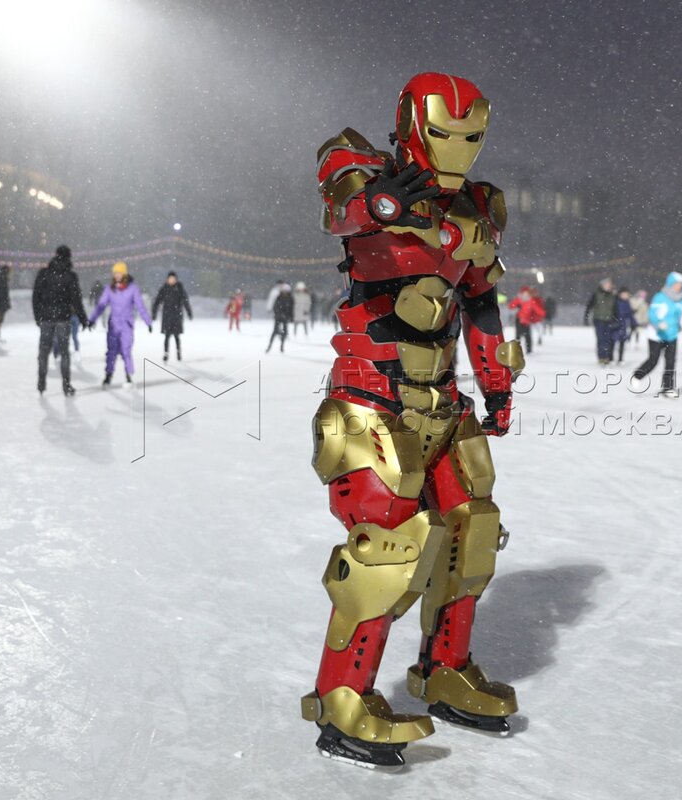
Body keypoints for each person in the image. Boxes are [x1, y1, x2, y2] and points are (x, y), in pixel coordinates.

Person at [302, 72, 524, 766]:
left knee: (471, 530)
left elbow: (480, 300)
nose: (459, 147)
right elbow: (342, 209)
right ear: (411, 125)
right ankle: (342, 699)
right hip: (371, 396)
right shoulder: (364, 172)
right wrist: (383, 201)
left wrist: (496, 382)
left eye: (471, 134)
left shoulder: (477, 209)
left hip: (444, 401)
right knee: (385, 551)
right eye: (444, 131)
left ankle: (445, 670)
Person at [31, 245, 88, 396]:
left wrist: (38, 316)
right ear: (69, 257)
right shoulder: (70, 276)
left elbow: (36, 296)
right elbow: (76, 300)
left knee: (43, 351)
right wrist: (83, 318)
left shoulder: (44, 273)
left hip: (46, 318)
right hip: (63, 318)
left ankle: (41, 382)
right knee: (64, 352)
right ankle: (66, 384)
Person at [88, 261, 152, 386]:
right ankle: (108, 374)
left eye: (119, 273)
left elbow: (140, 306)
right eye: (115, 273)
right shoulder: (110, 289)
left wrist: (148, 321)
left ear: (124, 274)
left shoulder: (132, 288)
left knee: (126, 350)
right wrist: (92, 319)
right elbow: (101, 305)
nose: (117, 275)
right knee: (111, 351)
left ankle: (129, 375)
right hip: (113, 325)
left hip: (127, 324)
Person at [632, 271, 682, 397]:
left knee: (670, 362)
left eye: (681, 285)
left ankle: (668, 388)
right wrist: (659, 323)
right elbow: (652, 314)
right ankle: (637, 376)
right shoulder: (660, 297)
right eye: (677, 284)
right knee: (653, 360)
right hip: (656, 335)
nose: (679, 287)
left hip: (671, 335)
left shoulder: (681, 301)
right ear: (670, 283)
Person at [151, 271, 193, 362]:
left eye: (173, 279)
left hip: (177, 316)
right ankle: (166, 353)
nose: (172, 280)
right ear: (167, 279)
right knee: (167, 336)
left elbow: (185, 301)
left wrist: (189, 312)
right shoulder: (164, 289)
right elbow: (157, 301)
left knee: (177, 336)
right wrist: (154, 313)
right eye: (170, 279)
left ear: (176, 279)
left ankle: (178, 353)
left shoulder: (179, 288)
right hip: (167, 316)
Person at [584, 277, 617, 365]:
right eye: (606, 285)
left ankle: (607, 357)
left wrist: (616, 319)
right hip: (598, 320)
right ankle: (601, 357)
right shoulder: (596, 294)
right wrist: (586, 318)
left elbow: (616, 309)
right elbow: (589, 306)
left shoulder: (613, 296)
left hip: (609, 320)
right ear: (602, 285)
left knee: (608, 340)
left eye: (609, 285)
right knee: (601, 339)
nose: (608, 286)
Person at [508, 285, 545, 353]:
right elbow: (511, 306)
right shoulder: (524, 300)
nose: (525, 294)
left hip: (524, 320)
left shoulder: (527, 300)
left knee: (522, 336)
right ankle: (521, 350)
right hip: (522, 320)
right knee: (522, 336)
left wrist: (542, 313)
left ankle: (522, 350)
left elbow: (537, 309)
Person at [266, 282, 293, 353]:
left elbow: (291, 309)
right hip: (278, 317)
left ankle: (282, 345)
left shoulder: (290, 299)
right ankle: (270, 345)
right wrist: (278, 314)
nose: (284, 292)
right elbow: (276, 307)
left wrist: (290, 317)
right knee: (275, 331)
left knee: (285, 332)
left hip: (285, 317)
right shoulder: (279, 297)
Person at [612, 288, 634, 363]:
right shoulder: (616, 302)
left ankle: (620, 358)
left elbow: (630, 314)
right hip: (616, 325)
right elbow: (613, 313)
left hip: (624, 325)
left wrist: (634, 323)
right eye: (623, 294)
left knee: (622, 342)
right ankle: (611, 358)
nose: (625, 296)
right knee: (613, 341)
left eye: (626, 295)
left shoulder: (627, 303)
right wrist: (614, 321)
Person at [0, 265, 11, 342]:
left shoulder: (2, 279)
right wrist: (5, 302)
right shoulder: (2, 280)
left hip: (0, 303)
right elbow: (2, 293)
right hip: (1, 303)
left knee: (0, 319)